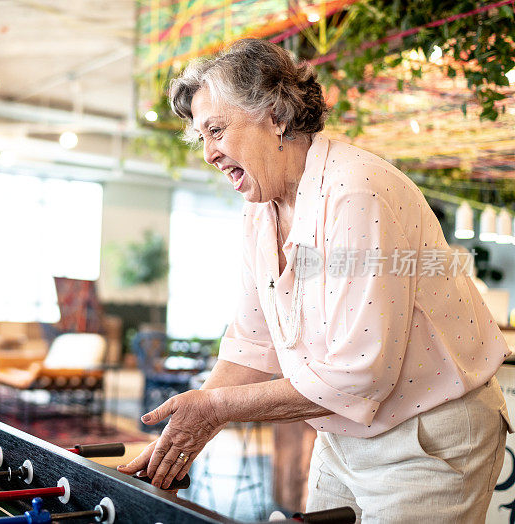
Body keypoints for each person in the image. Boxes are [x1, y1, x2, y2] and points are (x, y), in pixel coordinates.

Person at [117, 38, 511, 523]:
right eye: (202, 138)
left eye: (217, 130)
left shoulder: (354, 192)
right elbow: (250, 341)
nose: (209, 154)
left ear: (276, 117)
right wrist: (183, 432)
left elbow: (358, 372)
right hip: (344, 436)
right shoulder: (261, 209)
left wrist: (217, 408)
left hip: (426, 438)